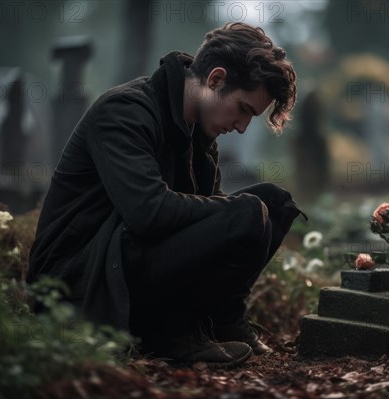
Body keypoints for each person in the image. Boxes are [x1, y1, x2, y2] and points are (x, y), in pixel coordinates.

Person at [27, 22, 304, 368]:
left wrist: (243, 214)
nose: (241, 126)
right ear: (215, 80)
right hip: (79, 280)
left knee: (273, 202)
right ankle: (173, 333)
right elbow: (148, 212)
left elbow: (208, 227)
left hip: (127, 256)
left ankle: (223, 323)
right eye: (244, 109)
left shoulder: (198, 133)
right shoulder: (125, 112)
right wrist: (237, 214)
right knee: (246, 213)